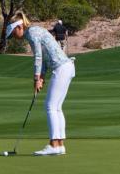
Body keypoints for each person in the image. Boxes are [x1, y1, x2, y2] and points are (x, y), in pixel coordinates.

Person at [6, 12, 76, 157]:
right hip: (66, 67)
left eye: (13, 33)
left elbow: (38, 56)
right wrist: (42, 76)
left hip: (61, 68)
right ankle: (60, 145)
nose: (13, 37)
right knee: (56, 107)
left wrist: (36, 78)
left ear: (19, 27)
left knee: (50, 106)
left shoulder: (32, 33)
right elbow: (44, 57)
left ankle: (53, 145)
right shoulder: (35, 31)